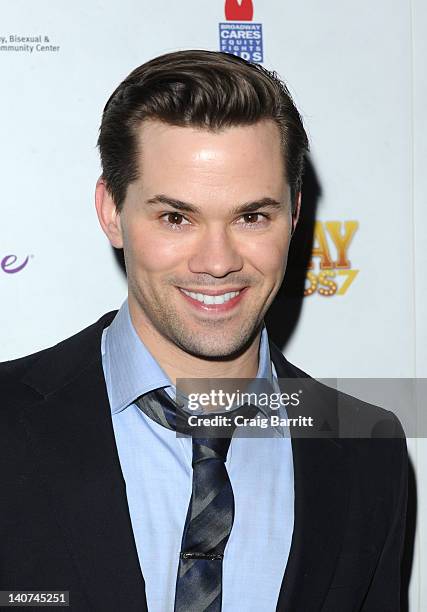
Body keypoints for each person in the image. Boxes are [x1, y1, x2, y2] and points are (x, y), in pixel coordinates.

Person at [0, 50, 407, 612]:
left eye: (251, 217)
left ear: (294, 214)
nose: (217, 262)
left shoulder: (367, 452)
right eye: (176, 217)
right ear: (112, 211)